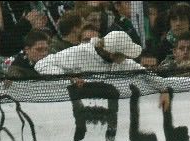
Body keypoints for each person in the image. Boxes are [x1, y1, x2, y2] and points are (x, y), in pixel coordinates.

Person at [35, 31, 170, 112]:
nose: (126, 58)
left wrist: (163, 89)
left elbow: (142, 72)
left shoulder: (121, 62)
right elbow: (41, 64)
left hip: (106, 112)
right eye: (124, 55)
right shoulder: (78, 53)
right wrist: (68, 79)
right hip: (75, 110)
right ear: (112, 54)